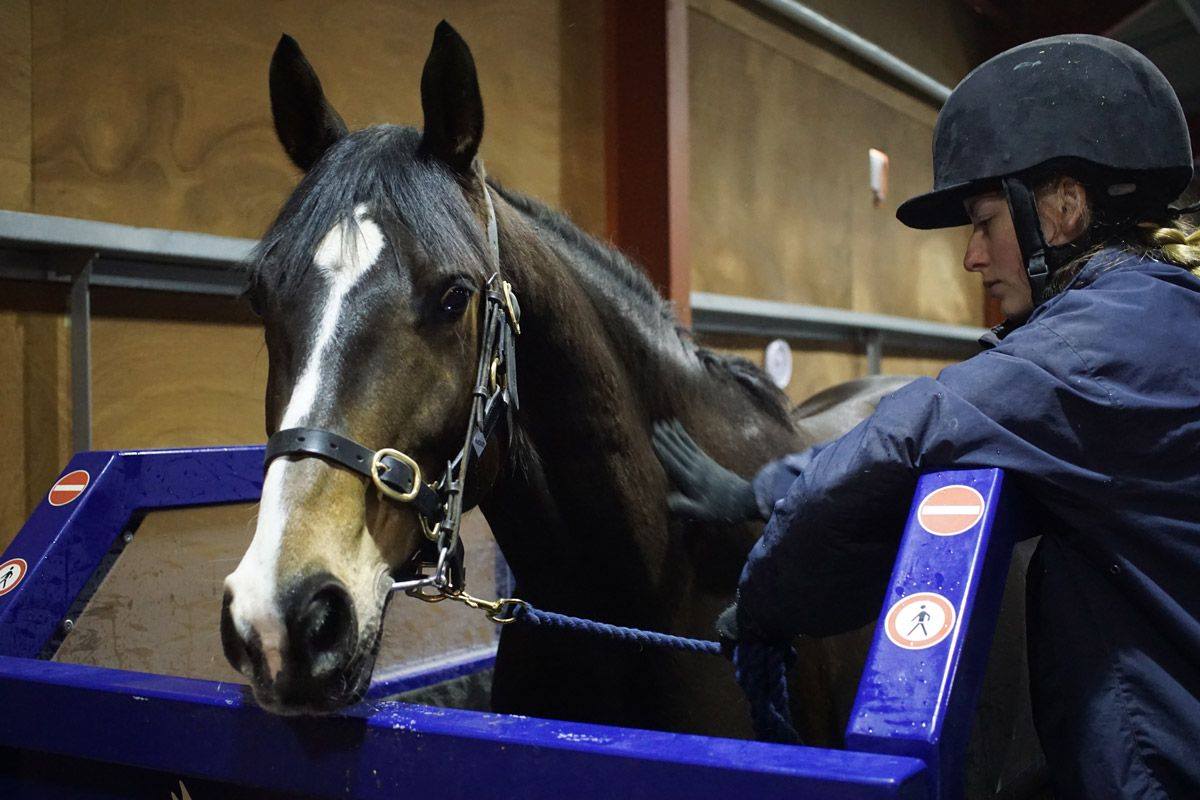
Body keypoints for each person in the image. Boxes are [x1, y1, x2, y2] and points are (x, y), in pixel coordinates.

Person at [654, 34, 1200, 799]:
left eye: (984, 223)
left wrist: (767, 606)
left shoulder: (1091, 354)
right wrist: (760, 490)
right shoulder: (1161, 317)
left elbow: (908, 433)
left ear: (1065, 209)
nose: (974, 257)